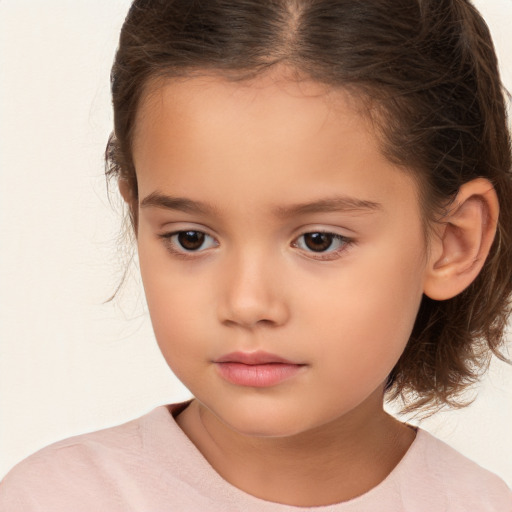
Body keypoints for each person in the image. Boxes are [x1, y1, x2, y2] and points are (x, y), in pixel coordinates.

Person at [1, 0, 511, 510]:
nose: (246, 303)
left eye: (319, 240)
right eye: (191, 238)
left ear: (452, 242)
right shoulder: (57, 498)